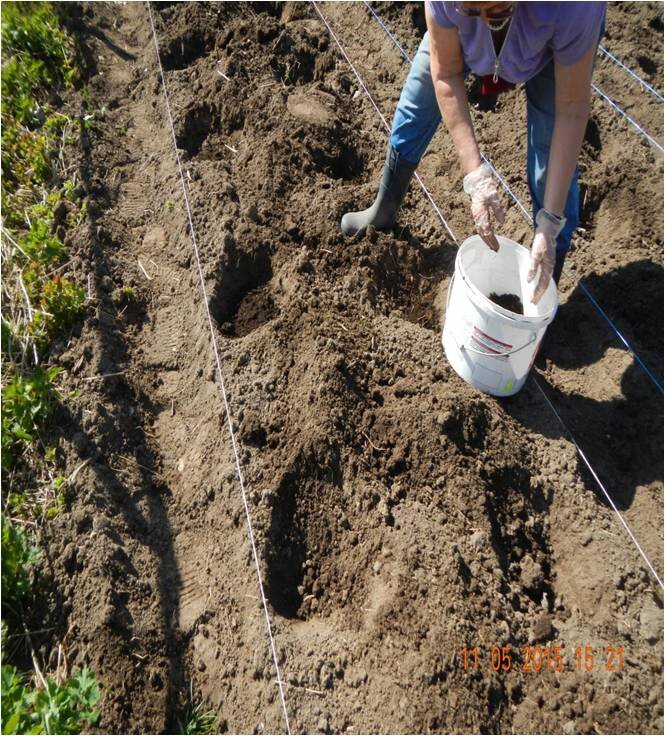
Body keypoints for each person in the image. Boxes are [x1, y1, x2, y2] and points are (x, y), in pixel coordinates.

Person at [341, 1, 607, 304]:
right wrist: (474, 173)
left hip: (548, 51)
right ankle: (383, 210)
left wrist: (550, 222)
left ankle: (543, 284)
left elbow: (571, 109)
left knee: (550, 157)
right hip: (464, 36)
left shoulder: (575, 8)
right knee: (416, 103)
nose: (481, 19)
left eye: (495, 10)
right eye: (470, 9)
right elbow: (445, 75)